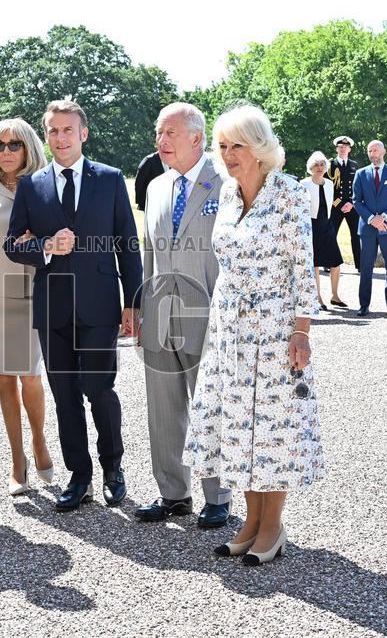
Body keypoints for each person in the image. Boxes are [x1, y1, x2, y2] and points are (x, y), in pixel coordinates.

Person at [183, 104, 324, 566]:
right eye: (222, 146)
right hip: (228, 330)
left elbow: (304, 268)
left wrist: (301, 330)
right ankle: (249, 520)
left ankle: (272, 526)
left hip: (275, 327)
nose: (227, 155)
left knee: (272, 427)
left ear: (260, 148)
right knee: (237, 425)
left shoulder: (287, 194)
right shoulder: (225, 194)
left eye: (236, 146)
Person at [4, 100, 143, 512]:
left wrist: (133, 302)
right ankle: (78, 475)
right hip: (53, 309)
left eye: (68, 130)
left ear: (83, 133)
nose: (60, 138)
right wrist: (45, 246)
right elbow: (12, 244)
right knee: (64, 395)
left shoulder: (111, 179)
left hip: (100, 306)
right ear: (45, 137)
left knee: (99, 390)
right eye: (53, 131)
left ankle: (113, 468)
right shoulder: (32, 186)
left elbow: (128, 245)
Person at [134, 103, 232, 527]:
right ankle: (174, 494)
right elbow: (148, 251)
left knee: (210, 405)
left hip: (210, 313)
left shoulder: (227, 182)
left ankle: (218, 496)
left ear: (196, 137)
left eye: (169, 133)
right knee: (163, 409)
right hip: (160, 313)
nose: (161, 141)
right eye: (158, 133)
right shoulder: (156, 186)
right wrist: (140, 307)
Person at [0, 118, 55, 495]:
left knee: (30, 375)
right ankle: (17, 462)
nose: (4, 152)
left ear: (28, 148)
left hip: (33, 289)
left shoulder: (46, 185)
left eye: (13, 144)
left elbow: (60, 236)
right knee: (4, 378)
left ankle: (39, 440)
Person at [353, 140, 387, 317]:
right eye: (369, 151)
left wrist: (383, 217)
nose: (373, 153)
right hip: (367, 228)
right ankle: (364, 305)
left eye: (376, 150)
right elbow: (356, 201)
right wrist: (371, 219)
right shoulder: (360, 174)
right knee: (366, 267)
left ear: (384, 151)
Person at [300, 151, 346, 309]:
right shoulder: (303, 184)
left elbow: (332, 203)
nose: (319, 167)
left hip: (327, 225)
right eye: (316, 165)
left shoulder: (329, 184)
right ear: (310, 168)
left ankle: (335, 296)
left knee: (336, 262)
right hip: (310, 227)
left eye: (322, 164)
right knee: (314, 264)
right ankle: (317, 298)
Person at [327, 136, 361, 270]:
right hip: (335, 207)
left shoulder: (354, 165)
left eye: (345, 147)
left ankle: (360, 265)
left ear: (349, 149)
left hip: (352, 207)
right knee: (331, 235)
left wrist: (352, 203)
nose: (343, 149)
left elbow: (358, 187)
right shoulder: (329, 165)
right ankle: (329, 263)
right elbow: (328, 187)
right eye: (340, 147)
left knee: (356, 236)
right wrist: (340, 204)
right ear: (336, 148)